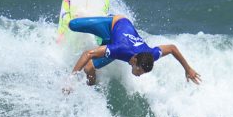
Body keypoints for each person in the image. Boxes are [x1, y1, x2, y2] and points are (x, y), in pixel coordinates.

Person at [69, 15, 201, 85]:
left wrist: (187, 69)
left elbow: (172, 48)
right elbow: (87, 54)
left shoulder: (151, 55)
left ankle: (90, 86)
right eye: (139, 70)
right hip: (113, 24)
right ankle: (104, 21)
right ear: (134, 60)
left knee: (88, 69)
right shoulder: (120, 50)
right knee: (72, 25)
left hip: (115, 43)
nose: (139, 75)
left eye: (142, 73)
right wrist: (71, 79)